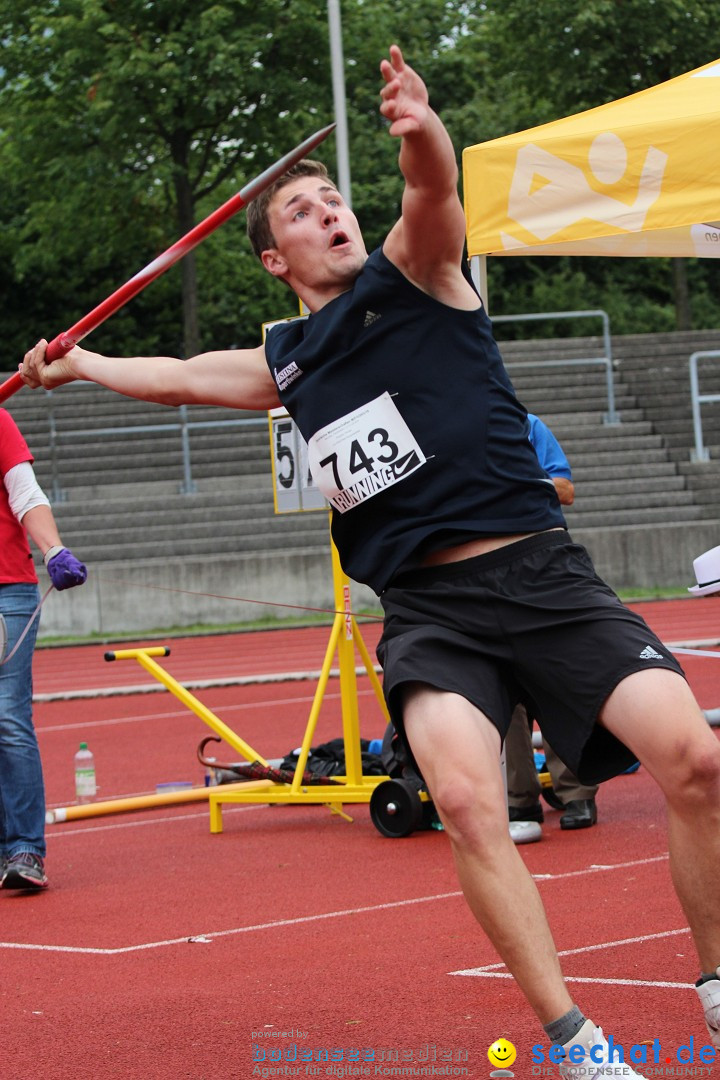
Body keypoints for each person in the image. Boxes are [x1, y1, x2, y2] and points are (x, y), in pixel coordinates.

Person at [19, 45, 720, 1071]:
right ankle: (574, 1040)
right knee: (472, 804)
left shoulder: (422, 271)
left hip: (543, 576)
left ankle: (711, 976)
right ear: (271, 258)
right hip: (433, 616)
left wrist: (418, 122)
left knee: (696, 761)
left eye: (335, 198)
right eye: (301, 210)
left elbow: (434, 182)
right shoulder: (285, 361)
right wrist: (77, 364)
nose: (328, 213)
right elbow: (173, 376)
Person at [0, 408, 87, 891]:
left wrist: (53, 549)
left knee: (7, 717)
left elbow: (25, 493)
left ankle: (23, 850)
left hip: (5, 589)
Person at [506, 414, 599, 831]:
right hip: (483, 574)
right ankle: (519, 800)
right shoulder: (447, 426)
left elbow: (566, 490)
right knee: (505, 694)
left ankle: (576, 793)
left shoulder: (526, 426)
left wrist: (512, 480)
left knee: (556, 683)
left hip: (541, 567)